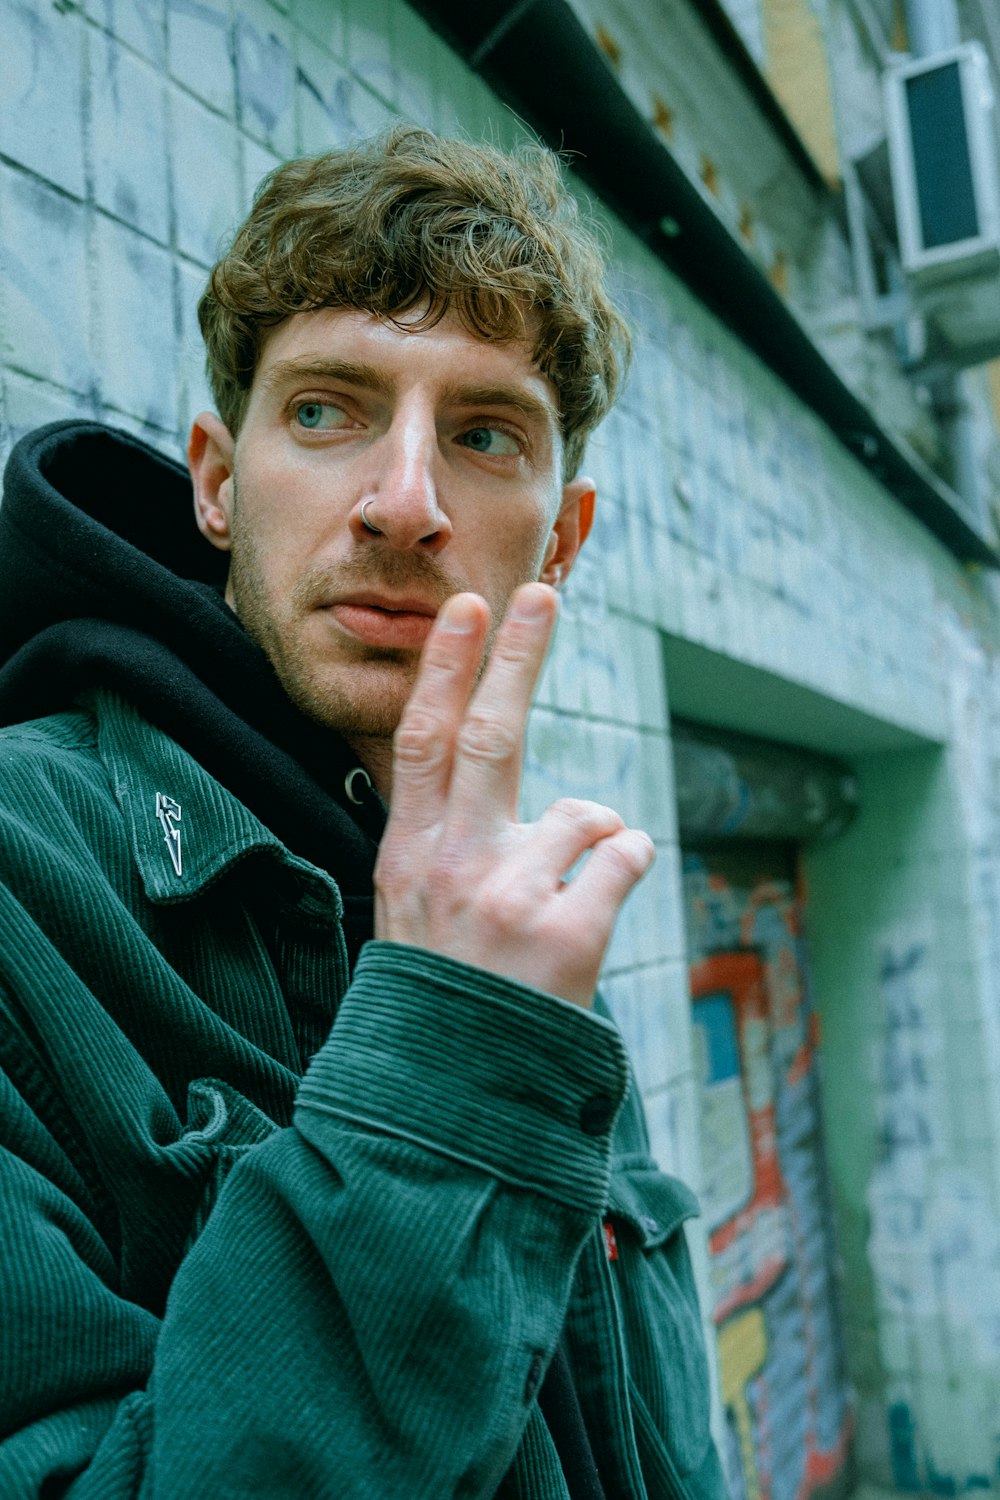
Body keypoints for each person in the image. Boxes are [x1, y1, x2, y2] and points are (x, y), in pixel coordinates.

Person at [0, 126, 725, 1498]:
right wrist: (440, 1082)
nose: (404, 502)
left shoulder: (517, 917)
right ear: (217, 481)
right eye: (327, 410)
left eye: (483, 433)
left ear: (560, 539)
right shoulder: (24, 881)